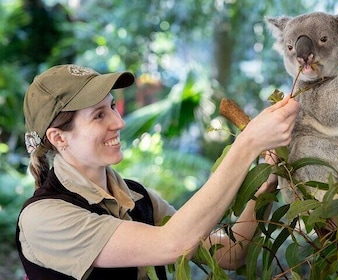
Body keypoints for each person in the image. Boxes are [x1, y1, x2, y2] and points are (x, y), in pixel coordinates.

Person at [16, 64, 299, 280]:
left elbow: (229, 253)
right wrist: (248, 143)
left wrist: (265, 182)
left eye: (112, 106)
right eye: (99, 115)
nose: (119, 122)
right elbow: (172, 243)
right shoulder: (43, 218)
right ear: (58, 137)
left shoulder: (138, 197)